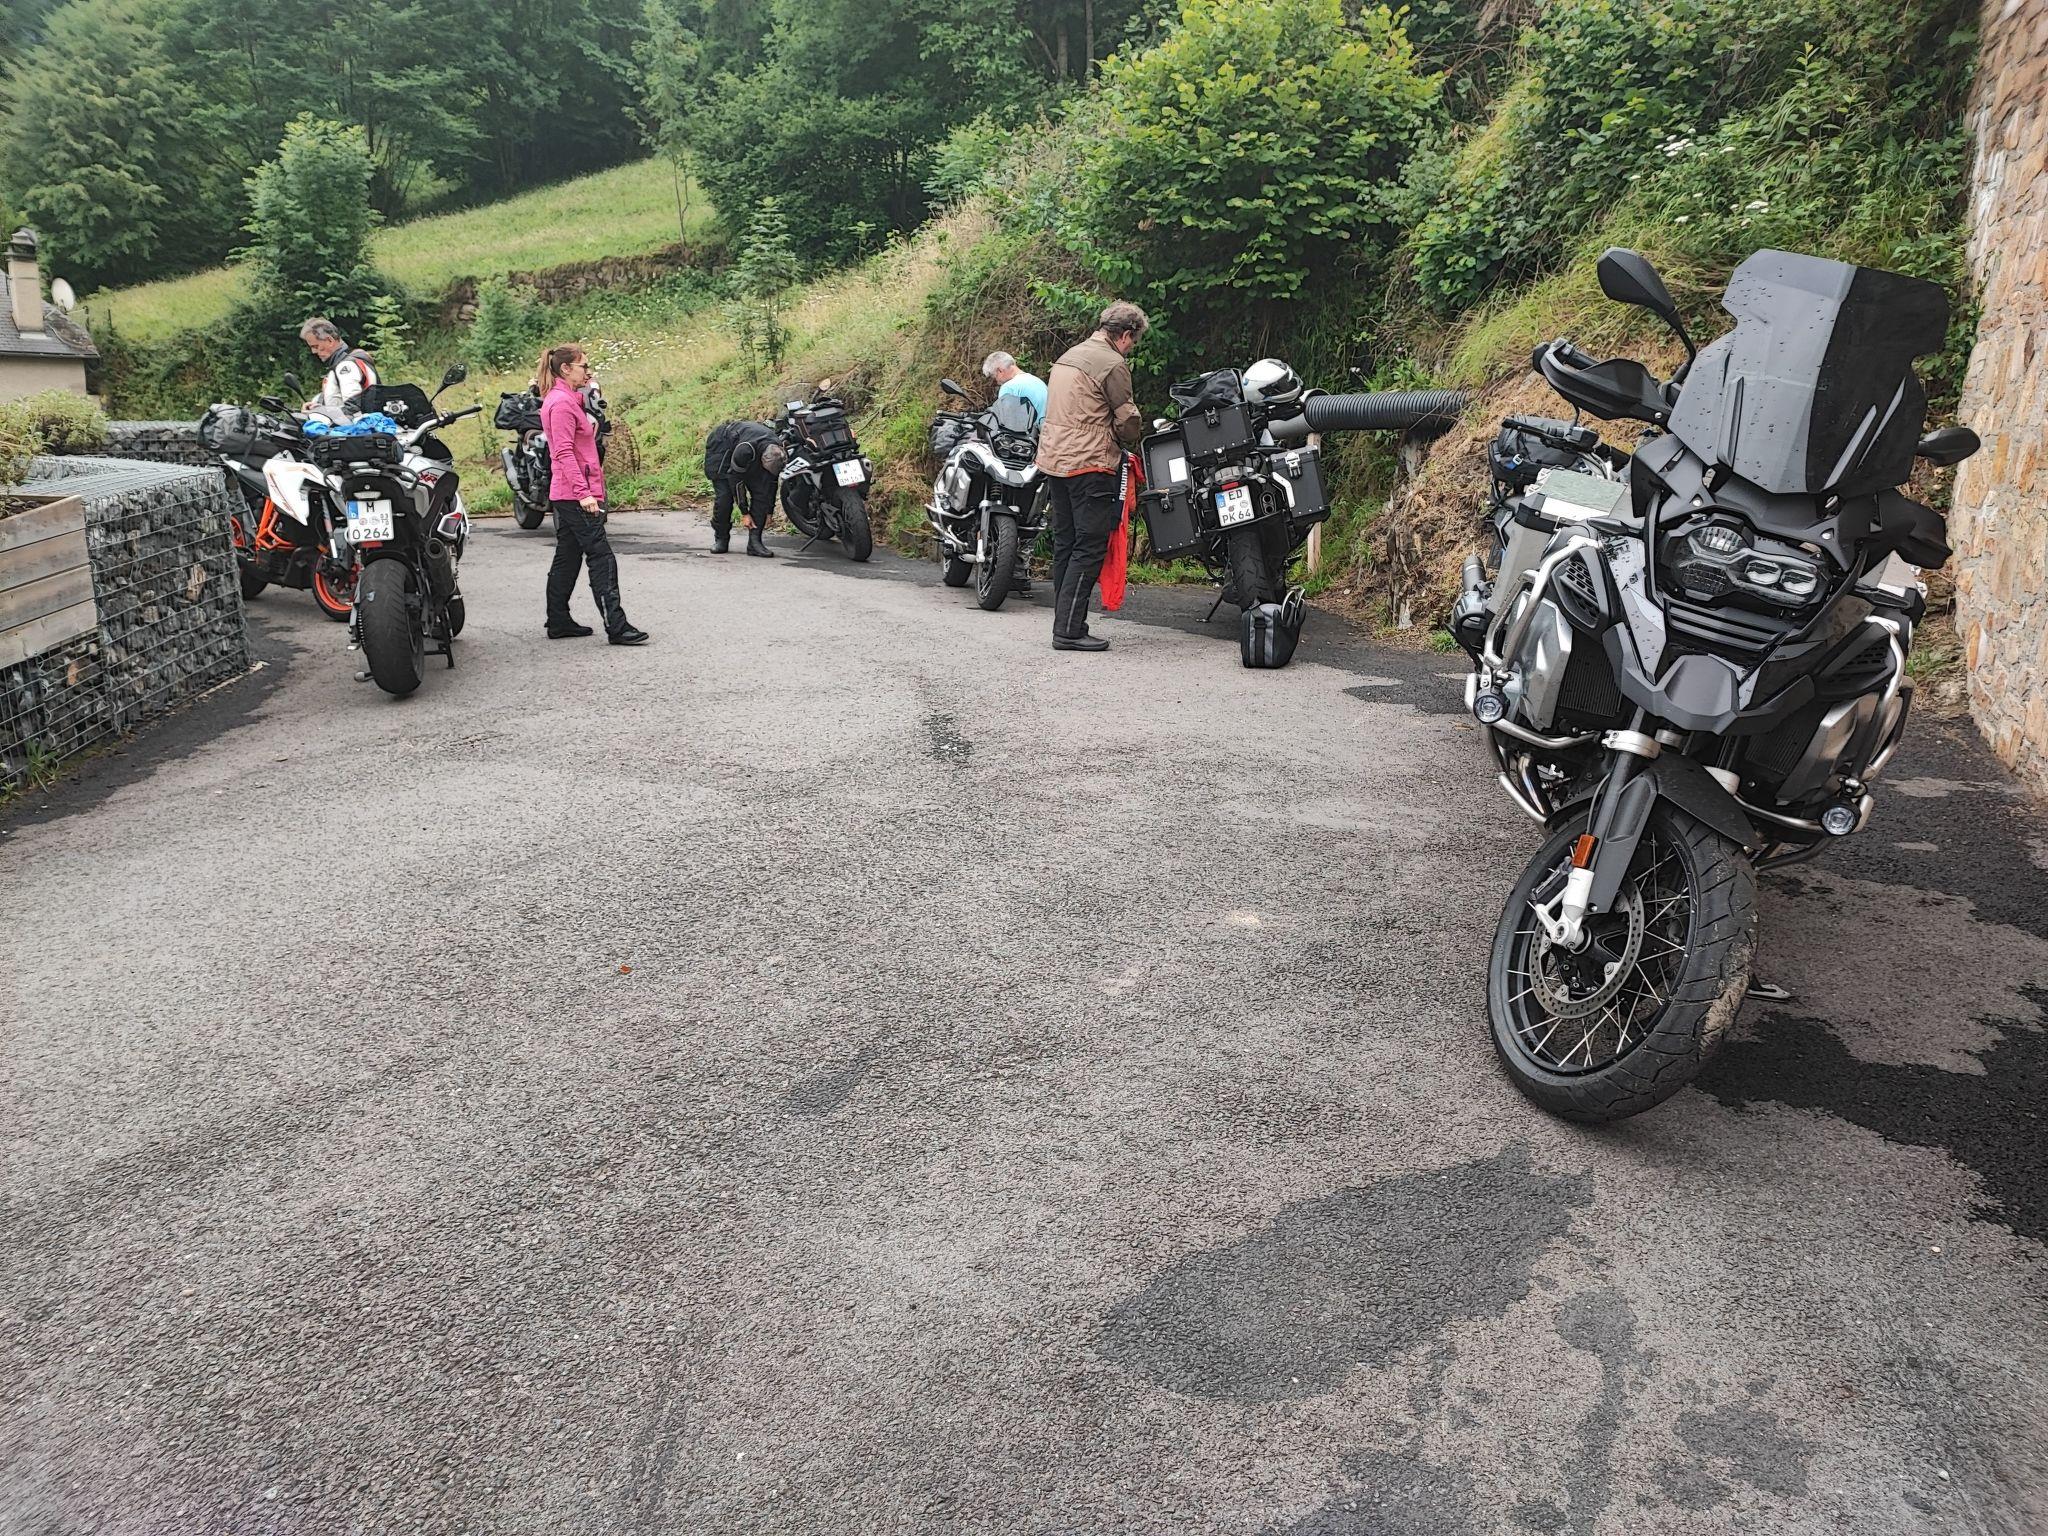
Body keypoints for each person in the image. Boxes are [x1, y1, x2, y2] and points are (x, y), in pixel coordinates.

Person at [1035, 302, 1148, 652]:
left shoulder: (1067, 356)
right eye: (1133, 342)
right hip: (1090, 464)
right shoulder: (1112, 363)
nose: (1130, 348)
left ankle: (1065, 624)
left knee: (1067, 543)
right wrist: (1127, 434)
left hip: (1055, 461)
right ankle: (1069, 631)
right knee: (1090, 546)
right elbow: (1127, 420)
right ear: (1125, 334)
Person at [538, 343, 647, 645]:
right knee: (601, 556)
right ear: (565, 369)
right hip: (575, 494)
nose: (588, 371)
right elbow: (563, 452)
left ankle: (558, 621)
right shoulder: (561, 404)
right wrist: (584, 494)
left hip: (571, 491)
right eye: (584, 366)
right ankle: (617, 626)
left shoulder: (567, 399)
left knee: (568, 555)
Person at [703, 419, 788, 557]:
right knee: (724, 497)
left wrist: (769, 511)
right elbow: (736, 482)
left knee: (761, 494)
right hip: (722, 446)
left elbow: (771, 483)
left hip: (749, 447)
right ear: (762, 460)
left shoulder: (778, 451)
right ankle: (721, 538)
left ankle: (755, 543)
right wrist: (745, 513)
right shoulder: (745, 450)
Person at [299, 318, 378, 418]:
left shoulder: (346, 367)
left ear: (330, 340)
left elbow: (353, 411)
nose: (313, 351)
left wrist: (318, 413)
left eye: (316, 346)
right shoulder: (348, 361)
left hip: (358, 427)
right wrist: (317, 405)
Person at [981, 350, 1047, 423]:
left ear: (1000, 371)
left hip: (1034, 429)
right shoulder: (1037, 381)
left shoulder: (1008, 388)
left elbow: (1006, 423)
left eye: (994, 376)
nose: (997, 381)